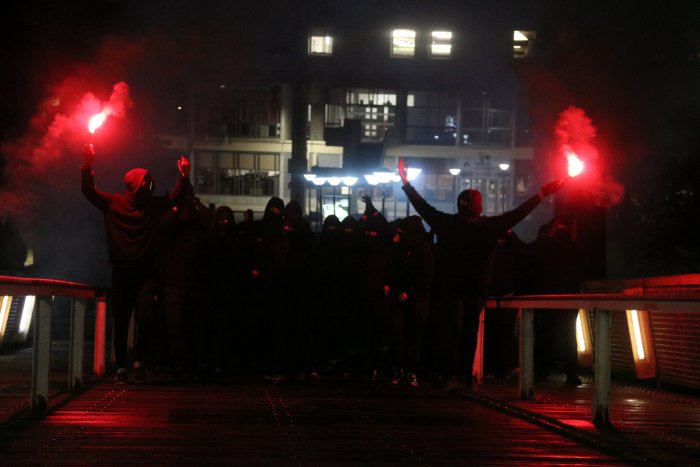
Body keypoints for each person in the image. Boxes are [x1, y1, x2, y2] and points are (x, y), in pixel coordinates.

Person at [398, 159, 563, 391]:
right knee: (470, 331)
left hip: (451, 286)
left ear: (459, 205)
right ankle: (465, 377)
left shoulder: (446, 223)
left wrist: (406, 182)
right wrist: (543, 192)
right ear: (480, 207)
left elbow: (421, 206)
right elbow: (519, 212)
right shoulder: (490, 226)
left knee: (452, 330)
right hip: (477, 286)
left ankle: (451, 375)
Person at [81, 144, 191, 384]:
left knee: (132, 320)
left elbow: (89, 191)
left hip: (128, 271)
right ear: (138, 184)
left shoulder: (116, 204)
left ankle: (128, 367)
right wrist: (184, 176)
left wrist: (87, 164)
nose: (150, 187)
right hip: (137, 272)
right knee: (141, 319)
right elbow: (177, 197)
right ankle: (130, 366)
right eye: (147, 183)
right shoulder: (139, 206)